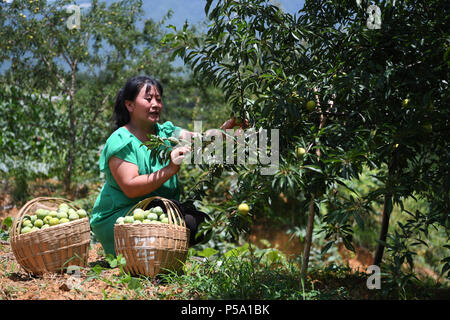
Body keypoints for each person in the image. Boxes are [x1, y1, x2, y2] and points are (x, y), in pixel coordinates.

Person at [90, 75, 244, 256]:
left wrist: (223, 133)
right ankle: (134, 257)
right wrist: (169, 170)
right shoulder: (121, 141)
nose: (155, 104)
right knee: (171, 220)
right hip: (122, 217)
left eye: (158, 99)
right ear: (130, 105)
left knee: (199, 224)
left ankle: (157, 258)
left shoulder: (165, 132)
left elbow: (198, 140)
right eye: (148, 99)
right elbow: (131, 188)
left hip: (156, 212)